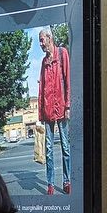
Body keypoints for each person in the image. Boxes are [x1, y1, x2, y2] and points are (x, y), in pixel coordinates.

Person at [37, 28, 72, 196]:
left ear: (49, 38)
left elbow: (68, 79)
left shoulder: (62, 53)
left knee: (65, 146)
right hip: (48, 110)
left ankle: (67, 180)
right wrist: (40, 115)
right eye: (40, 41)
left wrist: (68, 106)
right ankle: (50, 184)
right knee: (49, 149)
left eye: (42, 40)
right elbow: (41, 88)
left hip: (61, 106)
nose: (41, 44)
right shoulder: (44, 62)